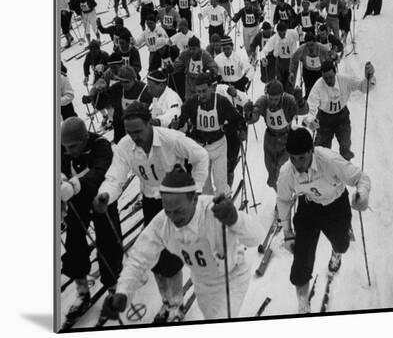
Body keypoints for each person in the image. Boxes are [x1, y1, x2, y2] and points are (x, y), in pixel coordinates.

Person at [102, 165, 263, 322]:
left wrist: (236, 220)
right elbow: (139, 258)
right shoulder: (163, 222)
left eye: (178, 210)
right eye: (168, 210)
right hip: (202, 282)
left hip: (231, 277)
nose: (173, 217)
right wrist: (123, 291)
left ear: (194, 199)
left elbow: (257, 237)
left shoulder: (214, 211)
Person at [94, 102, 209, 322]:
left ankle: (176, 304)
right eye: (129, 132)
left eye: (138, 131)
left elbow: (200, 156)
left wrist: (194, 191)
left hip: (175, 203)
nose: (134, 137)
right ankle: (166, 302)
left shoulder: (171, 139)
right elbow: (114, 177)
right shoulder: (125, 146)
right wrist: (105, 195)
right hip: (151, 202)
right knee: (155, 257)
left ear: (150, 124)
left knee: (172, 257)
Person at [276, 127, 371, 314]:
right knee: (301, 262)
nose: (297, 164)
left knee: (342, 244)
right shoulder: (288, 171)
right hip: (309, 207)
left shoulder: (329, 160)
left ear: (312, 150)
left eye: (302, 157)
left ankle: (337, 252)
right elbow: (284, 199)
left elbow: (361, 178)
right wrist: (287, 232)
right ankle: (303, 306)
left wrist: (362, 194)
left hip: (335, 205)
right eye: (293, 158)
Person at [61, 117, 123, 324]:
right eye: (65, 147)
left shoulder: (101, 146)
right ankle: (82, 291)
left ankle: (113, 288)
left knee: (109, 244)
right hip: (77, 203)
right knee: (73, 244)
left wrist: (76, 184)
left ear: (85, 138)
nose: (69, 151)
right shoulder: (62, 149)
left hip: (101, 199)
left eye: (73, 146)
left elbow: (100, 172)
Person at [171, 73, 245, 195]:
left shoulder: (221, 101)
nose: (202, 95)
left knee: (220, 183)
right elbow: (182, 119)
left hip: (218, 146)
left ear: (211, 88)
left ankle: (222, 205)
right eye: (198, 91)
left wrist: (230, 128)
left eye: (204, 91)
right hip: (200, 148)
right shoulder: (192, 103)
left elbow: (237, 119)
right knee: (204, 187)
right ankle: (208, 208)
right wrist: (177, 123)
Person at [304, 60, 376, 160]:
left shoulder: (345, 80)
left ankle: (345, 170)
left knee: (345, 148)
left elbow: (362, 87)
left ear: (335, 73)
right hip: (324, 119)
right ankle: (322, 172)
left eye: (331, 77)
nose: (328, 81)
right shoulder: (318, 86)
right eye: (325, 78)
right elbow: (311, 107)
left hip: (342, 117)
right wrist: (310, 121)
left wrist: (369, 77)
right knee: (321, 151)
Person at [248, 80, 297, 195]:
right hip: (270, 139)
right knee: (272, 173)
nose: (273, 102)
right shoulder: (263, 101)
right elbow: (254, 116)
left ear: (282, 95)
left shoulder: (288, 100)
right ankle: (281, 196)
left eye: (276, 99)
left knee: (281, 169)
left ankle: (287, 195)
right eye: (271, 98)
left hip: (287, 139)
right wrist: (249, 114)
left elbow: (303, 110)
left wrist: (300, 102)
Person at [260, 22, 299, 92]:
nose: (282, 35)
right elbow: (264, 50)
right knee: (280, 83)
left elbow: (302, 35)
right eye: (280, 33)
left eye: (284, 33)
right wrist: (263, 59)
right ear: (277, 32)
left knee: (290, 82)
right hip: (280, 62)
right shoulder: (274, 38)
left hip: (291, 61)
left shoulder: (292, 33)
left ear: (286, 30)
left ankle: (290, 97)